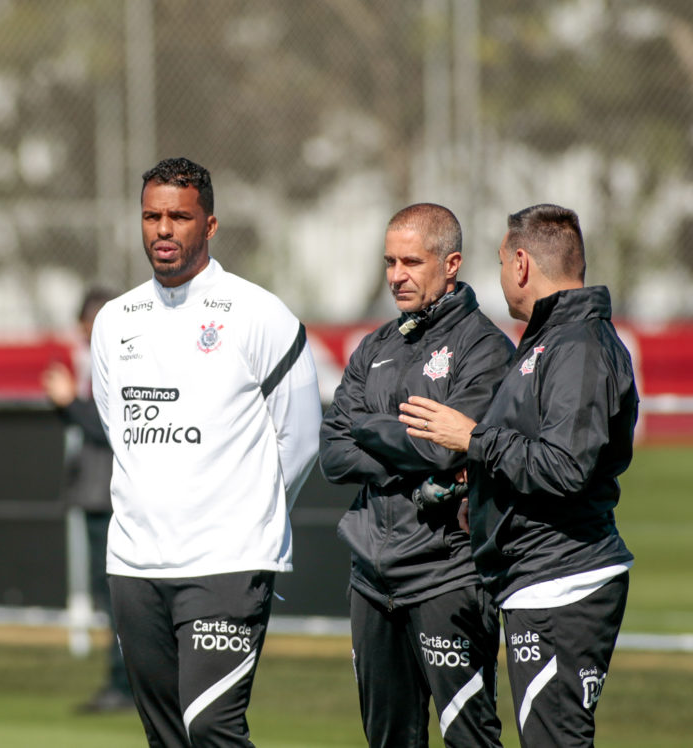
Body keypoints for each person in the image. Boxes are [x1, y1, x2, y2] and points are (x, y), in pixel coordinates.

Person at [90, 157, 321, 747]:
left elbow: (299, 439)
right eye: (151, 216)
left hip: (228, 560)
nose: (163, 230)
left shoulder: (259, 314)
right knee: (167, 737)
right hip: (136, 565)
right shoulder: (114, 320)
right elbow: (119, 428)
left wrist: (252, 516)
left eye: (178, 217)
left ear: (210, 225)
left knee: (212, 728)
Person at [399, 204, 637, 747]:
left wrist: (472, 438)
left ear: (522, 264)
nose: (501, 273)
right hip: (539, 579)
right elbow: (538, 453)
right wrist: (481, 492)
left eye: (503, 260)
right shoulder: (553, 338)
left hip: (564, 581)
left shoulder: (577, 346)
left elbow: (565, 466)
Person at [319, 203, 514, 747]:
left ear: (451, 263)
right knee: (388, 739)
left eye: (411, 261)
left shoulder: (485, 349)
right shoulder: (375, 346)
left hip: (447, 573)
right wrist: (407, 441)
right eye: (389, 262)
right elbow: (333, 454)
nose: (395, 275)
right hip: (371, 580)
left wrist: (370, 430)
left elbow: (447, 450)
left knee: (469, 737)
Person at [41, 287, 133, 713]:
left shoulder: (123, 360)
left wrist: (70, 404)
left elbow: (111, 427)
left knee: (120, 597)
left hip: (114, 497)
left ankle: (126, 686)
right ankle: (125, 684)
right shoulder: (94, 361)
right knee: (110, 596)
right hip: (98, 495)